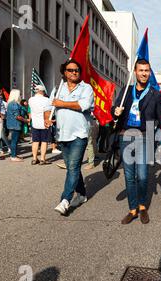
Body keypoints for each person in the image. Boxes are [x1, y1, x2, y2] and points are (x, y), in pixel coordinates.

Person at [112, 59, 161, 225]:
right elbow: (115, 110)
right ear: (135, 72)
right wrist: (115, 111)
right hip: (125, 136)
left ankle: (143, 206)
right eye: (141, 70)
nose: (144, 73)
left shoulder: (155, 95)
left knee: (143, 176)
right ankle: (132, 209)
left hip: (145, 137)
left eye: (147, 70)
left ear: (149, 73)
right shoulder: (126, 91)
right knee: (129, 176)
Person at [48, 59, 94, 216]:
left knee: (73, 167)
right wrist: (48, 118)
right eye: (70, 70)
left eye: (77, 70)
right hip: (62, 134)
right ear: (64, 72)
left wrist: (62, 103)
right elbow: (50, 106)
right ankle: (81, 194)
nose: (74, 72)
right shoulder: (58, 88)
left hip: (79, 134)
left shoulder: (86, 88)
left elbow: (83, 105)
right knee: (72, 168)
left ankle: (65, 200)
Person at [29, 85, 53, 165]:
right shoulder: (47, 100)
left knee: (35, 141)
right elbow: (48, 112)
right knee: (44, 141)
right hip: (44, 123)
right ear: (42, 91)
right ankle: (42, 159)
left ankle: (34, 159)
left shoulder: (31, 99)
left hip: (35, 123)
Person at [6, 89, 29, 162]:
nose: (21, 96)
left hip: (13, 124)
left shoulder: (12, 103)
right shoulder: (14, 104)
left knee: (14, 140)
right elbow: (17, 116)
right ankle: (13, 156)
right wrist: (26, 120)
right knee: (14, 141)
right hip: (15, 124)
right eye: (20, 94)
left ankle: (14, 154)